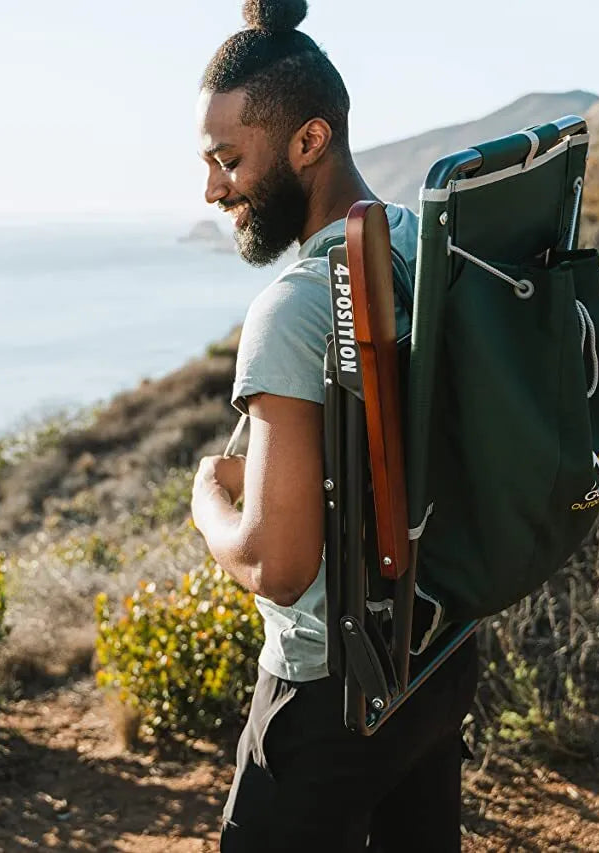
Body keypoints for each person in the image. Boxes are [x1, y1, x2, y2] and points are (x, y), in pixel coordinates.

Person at [190, 2, 478, 850]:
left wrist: (208, 496)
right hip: (436, 652)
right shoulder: (426, 248)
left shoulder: (296, 307)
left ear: (308, 142)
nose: (212, 189)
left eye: (227, 159)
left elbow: (278, 565)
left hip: (328, 685)